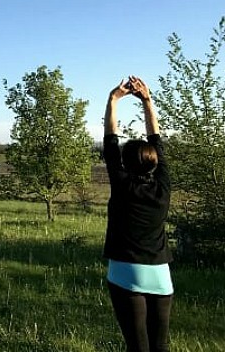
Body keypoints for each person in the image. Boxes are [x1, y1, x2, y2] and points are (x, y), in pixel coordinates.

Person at [103, 76, 173, 352]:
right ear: (154, 162)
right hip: (160, 275)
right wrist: (147, 100)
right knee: (161, 346)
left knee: (137, 347)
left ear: (126, 163)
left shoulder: (122, 184)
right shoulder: (163, 186)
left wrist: (113, 100)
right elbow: (157, 140)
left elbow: (110, 141)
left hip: (126, 272)